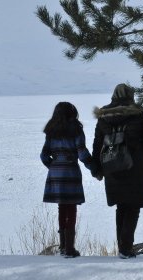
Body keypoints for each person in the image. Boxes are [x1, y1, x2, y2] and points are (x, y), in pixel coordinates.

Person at [92, 83, 143, 259]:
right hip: (135, 166)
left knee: (121, 206)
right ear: (131, 96)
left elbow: (98, 143)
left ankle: (123, 247)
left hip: (112, 166)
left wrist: (98, 167)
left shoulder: (104, 116)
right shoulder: (139, 113)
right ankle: (126, 249)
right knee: (133, 206)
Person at [40, 101, 96, 258]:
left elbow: (43, 156)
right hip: (71, 171)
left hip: (55, 173)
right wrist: (94, 167)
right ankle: (70, 249)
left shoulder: (51, 131)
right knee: (71, 208)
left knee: (62, 208)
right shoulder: (76, 130)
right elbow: (82, 153)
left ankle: (63, 246)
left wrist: (54, 166)